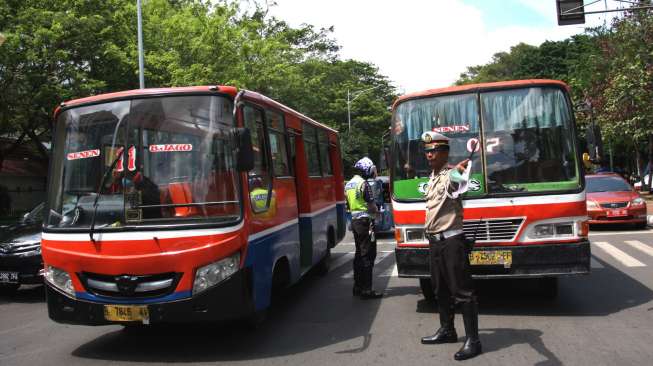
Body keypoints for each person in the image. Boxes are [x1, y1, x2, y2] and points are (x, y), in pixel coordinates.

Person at [419, 131, 482, 361]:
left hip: (452, 242)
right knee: (440, 289)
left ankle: (473, 340)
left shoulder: (450, 175)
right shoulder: (433, 176)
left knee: (462, 292)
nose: (429, 155)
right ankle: (447, 330)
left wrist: (461, 171)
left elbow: (456, 186)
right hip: (435, 242)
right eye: (427, 151)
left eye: (433, 150)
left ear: (445, 153)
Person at [345, 157, 383, 299]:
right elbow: (371, 205)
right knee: (368, 255)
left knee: (358, 254)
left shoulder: (348, 184)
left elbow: (348, 205)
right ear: (366, 169)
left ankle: (357, 286)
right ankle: (367, 289)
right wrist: (378, 213)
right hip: (365, 221)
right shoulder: (364, 184)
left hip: (354, 222)